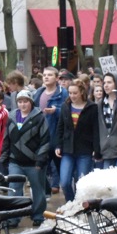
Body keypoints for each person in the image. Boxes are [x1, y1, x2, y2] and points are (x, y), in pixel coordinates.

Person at [0, 90, 50, 227]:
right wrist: (3, 156)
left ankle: (38, 215)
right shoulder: (11, 117)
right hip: (15, 160)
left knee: (38, 188)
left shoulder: (39, 117)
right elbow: (6, 139)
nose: (22, 104)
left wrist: (40, 160)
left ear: (31, 102)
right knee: (14, 189)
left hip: (34, 162)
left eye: (25, 101)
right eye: (20, 101)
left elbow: (45, 140)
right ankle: (13, 217)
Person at [54, 80, 100, 202]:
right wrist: (58, 145)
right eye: (70, 93)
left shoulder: (92, 107)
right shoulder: (65, 106)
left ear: (81, 92)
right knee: (64, 182)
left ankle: (81, 205)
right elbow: (60, 127)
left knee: (82, 183)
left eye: (75, 93)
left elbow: (96, 129)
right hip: (68, 149)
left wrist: (96, 149)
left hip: (85, 149)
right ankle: (72, 203)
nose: (72, 96)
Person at [32, 67, 68, 195]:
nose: (46, 77)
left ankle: (67, 194)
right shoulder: (38, 93)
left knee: (61, 171)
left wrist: (56, 111)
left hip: (57, 137)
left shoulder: (63, 93)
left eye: (50, 75)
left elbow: (68, 112)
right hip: (41, 137)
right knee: (39, 169)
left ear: (57, 78)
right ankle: (45, 195)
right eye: (45, 75)